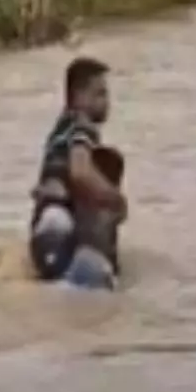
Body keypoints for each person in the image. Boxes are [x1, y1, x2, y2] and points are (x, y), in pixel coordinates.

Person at [28, 56, 128, 290]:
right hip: (65, 227)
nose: (107, 102)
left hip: (44, 229)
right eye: (100, 94)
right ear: (78, 97)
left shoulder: (61, 127)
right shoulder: (84, 127)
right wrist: (115, 198)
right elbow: (80, 171)